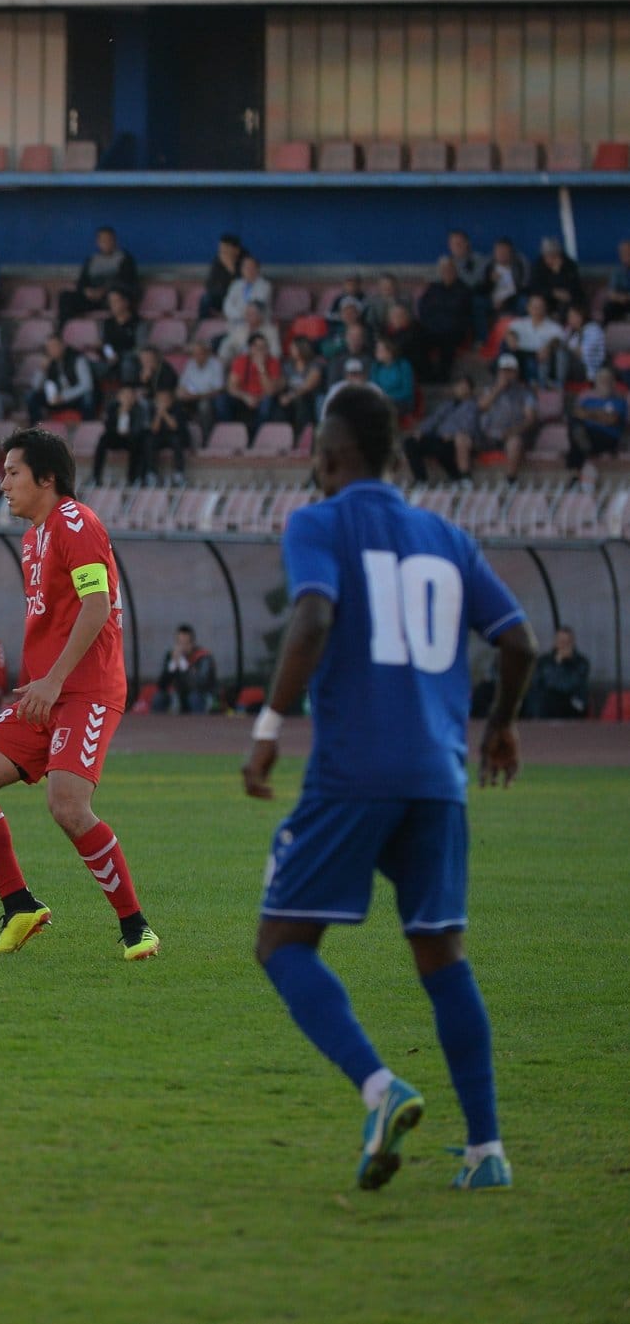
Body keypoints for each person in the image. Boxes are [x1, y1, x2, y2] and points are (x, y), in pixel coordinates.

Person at [242, 382, 536, 1193]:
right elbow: (519, 642)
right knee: (443, 955)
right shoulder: (445, 536)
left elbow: (310, 618)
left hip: (353, 774)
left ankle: (380, 1088)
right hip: (439, 780)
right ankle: (487, 1151)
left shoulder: (318, 521)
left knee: (280, 942)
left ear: (330, 457)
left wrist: (267, 730)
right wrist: (500, 724)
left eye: (314, 457)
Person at [0, 427, 158, 960]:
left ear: (47, 477)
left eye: (13, 472)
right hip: (42, 693)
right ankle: (20, 907)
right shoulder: (33, 536)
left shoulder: (74, 521)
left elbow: (96, 606)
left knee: (67, 805)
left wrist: (55, 679)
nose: (3, 484)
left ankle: (137, 927)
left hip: (83, 689)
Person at [403, 372, 482, 485]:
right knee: (410, 443)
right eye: (459, 386)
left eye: (464, 386)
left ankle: (458, 476)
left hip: (455, 440)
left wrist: (452, 435)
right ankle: (420, 480)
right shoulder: (447, 405)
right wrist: (421, 431)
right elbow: (434, 419)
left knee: (442, 448)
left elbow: (469, 426)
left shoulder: (472, 406)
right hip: (438, 437)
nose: (460, 389)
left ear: (470, 390)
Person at [56, 226, 139, 328]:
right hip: (92, 299)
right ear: (97, 242)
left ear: (114, 241)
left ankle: (115, 333)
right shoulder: (92, 260)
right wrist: (86, 290)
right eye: (102, 240)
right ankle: (62, 333)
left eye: (109, 240)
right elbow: (82, 282)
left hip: (110, 299)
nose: (106, 243)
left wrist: (103, 290)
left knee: (116, 296)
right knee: (65, 297)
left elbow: (125, 281)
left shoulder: (125, 258)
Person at [568, 366, 626, 469]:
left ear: (613, 383)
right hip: (588, 433)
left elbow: (611, 420)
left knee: (577, 441)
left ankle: (576, 476)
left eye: (607, 380)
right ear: (596, 383)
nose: (604, 382)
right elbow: (577, 413)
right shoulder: (588, 400)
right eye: (601, 380)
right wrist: (600, 415)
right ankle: (586, 451)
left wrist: (588, 415)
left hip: (607, 437)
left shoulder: (619, 401)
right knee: (574, 424)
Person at [524, 627, 588, 719]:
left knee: (554, 697)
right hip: (547, 703)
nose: (563, 645)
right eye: (560, 641)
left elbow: (567, 686)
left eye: (566, 642)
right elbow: (535, 682)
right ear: (555, 642)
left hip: (571, 702)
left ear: (572, 643)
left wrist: (560, 663)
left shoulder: (581, 662)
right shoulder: (544, 661)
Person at [155, 625, 217, 713]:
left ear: (192, 643)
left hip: (201, 696)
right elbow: (161, 685)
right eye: (179, 643)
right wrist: (172, 665)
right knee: (160, 697)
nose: (182, 647)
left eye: (185, 643)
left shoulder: (203, 658)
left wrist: (183, 665)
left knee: (193, 697)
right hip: (178, 696)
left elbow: (199, 684)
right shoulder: (171, 656)